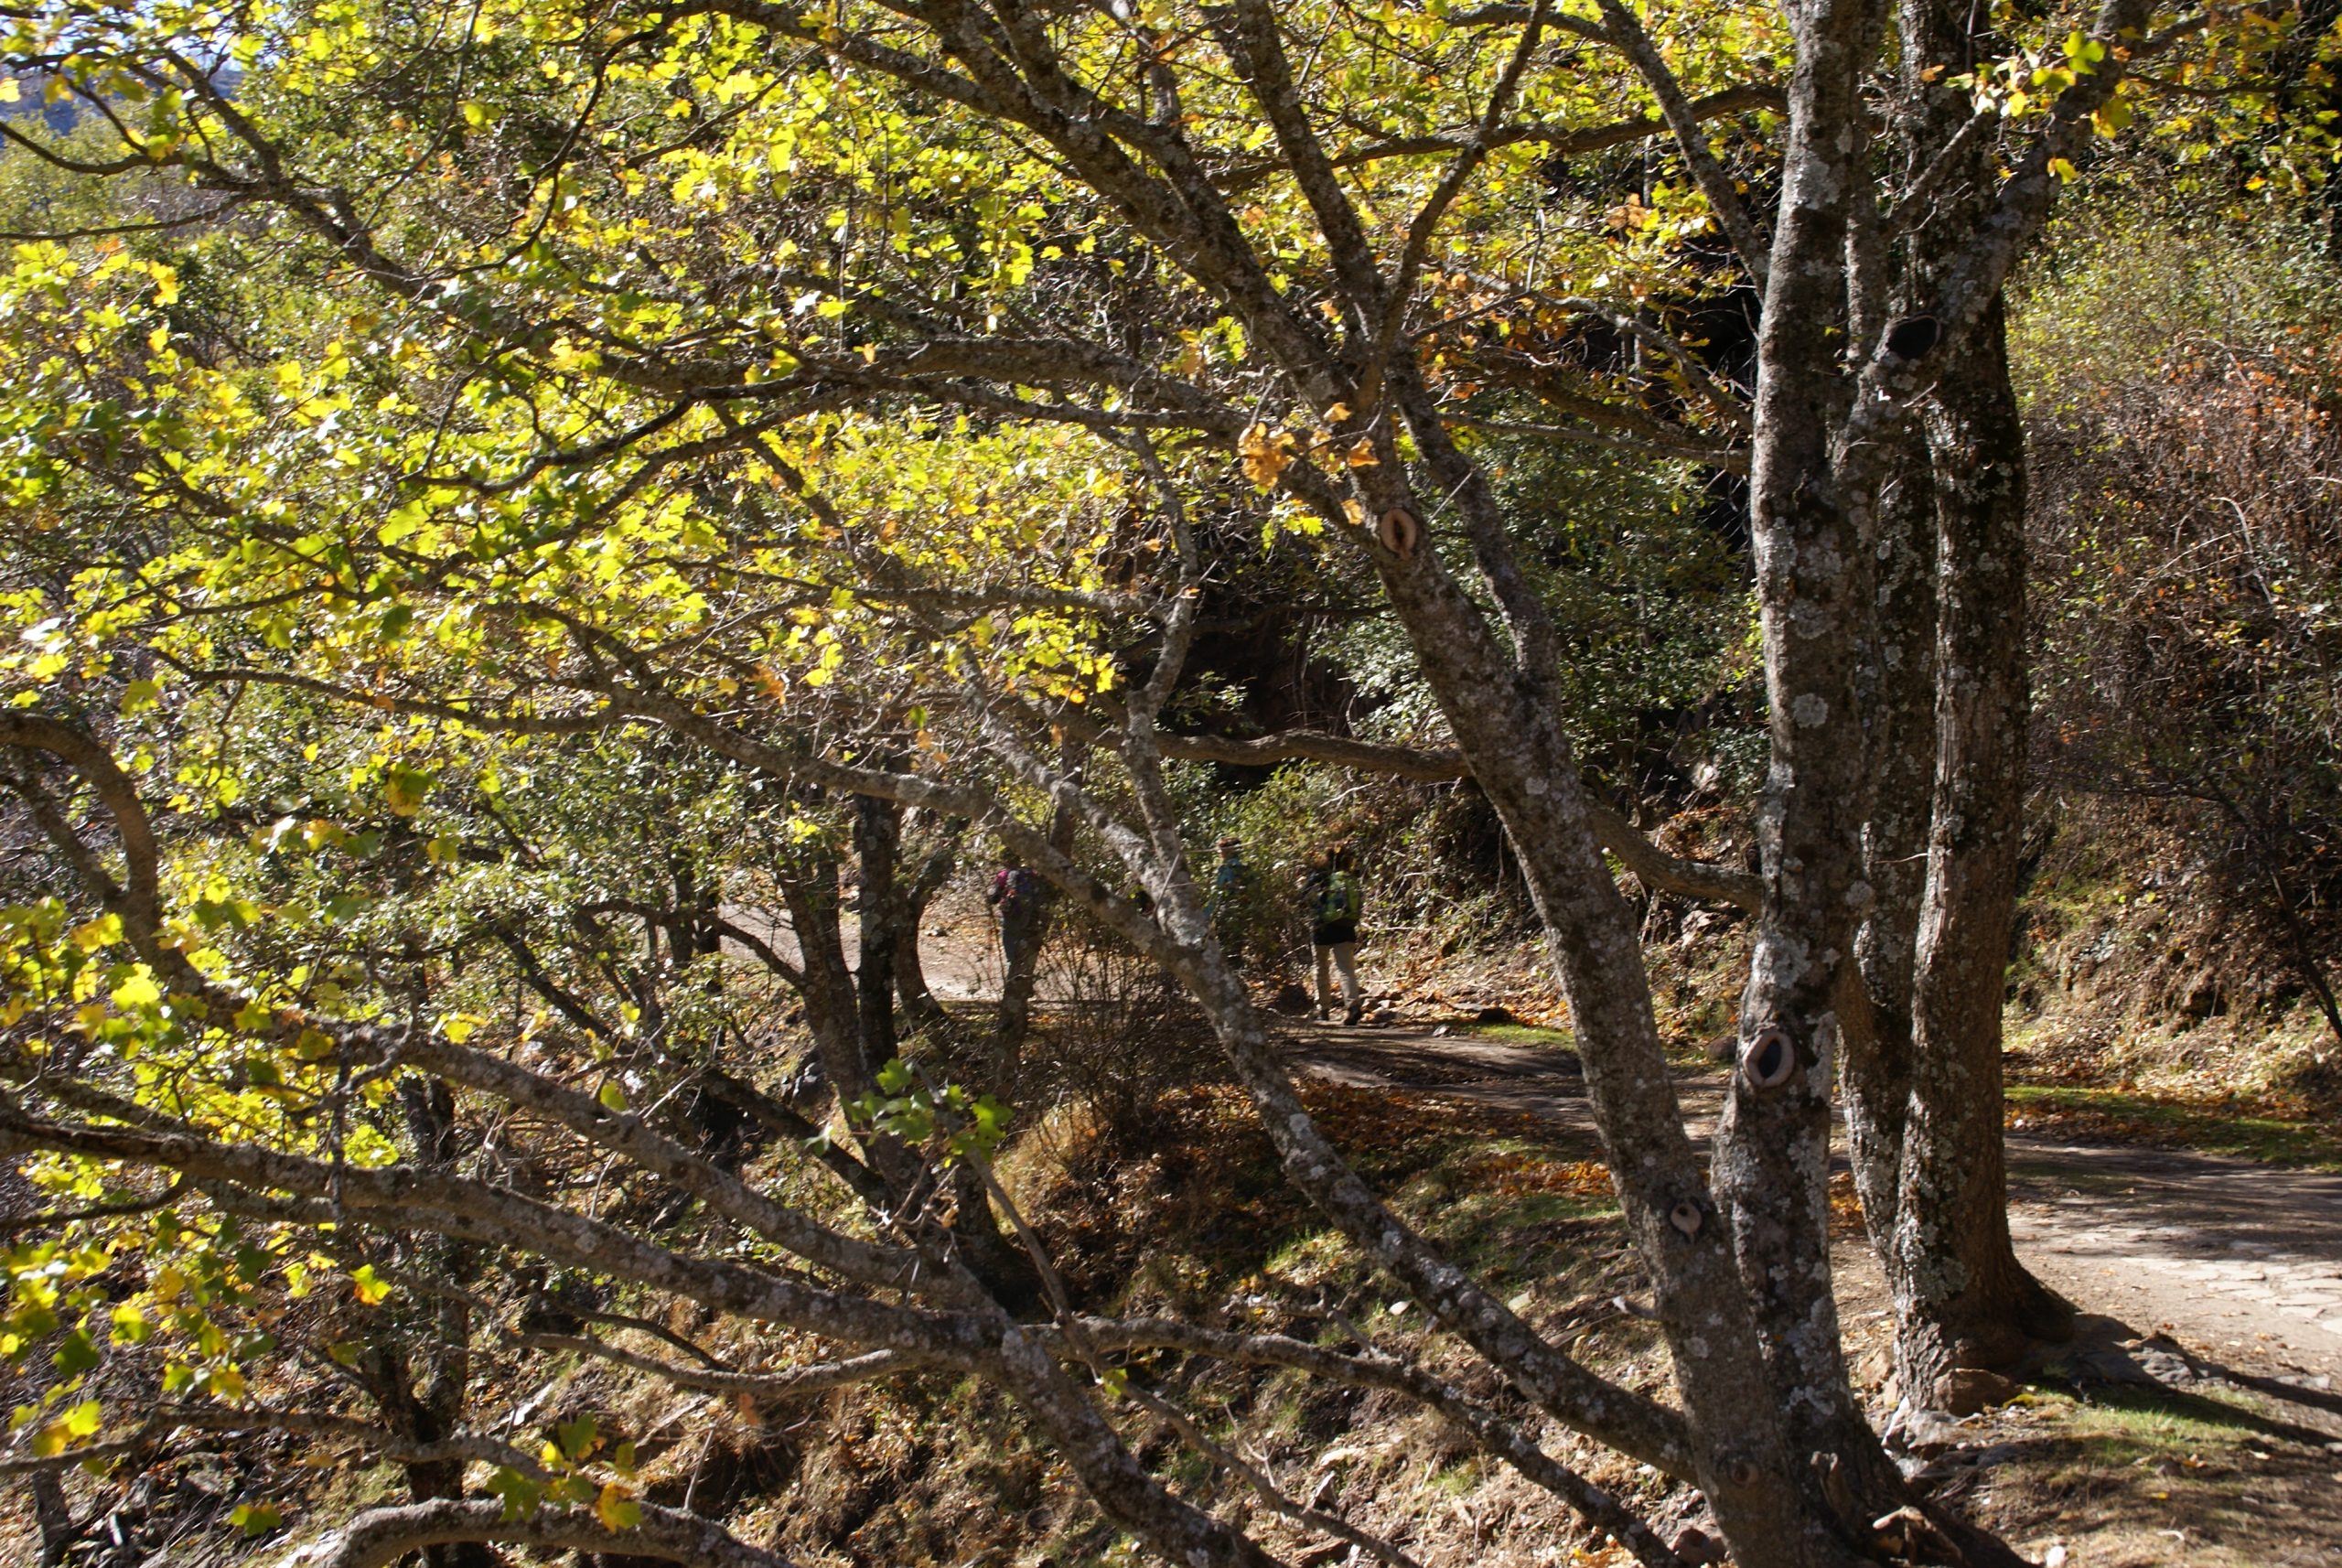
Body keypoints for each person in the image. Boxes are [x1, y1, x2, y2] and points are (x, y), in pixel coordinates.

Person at [1301, 844, 1365, 1025]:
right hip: (1346, 927)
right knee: (1345, 968)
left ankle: (1323, 1009)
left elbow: (1303, 896)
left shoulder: (1320, 876)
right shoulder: (1350, 878)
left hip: (1322, 928)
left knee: (1321, 967)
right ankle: (1353, 1007)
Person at [986, 847, 1045, 972]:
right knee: (1024, 936)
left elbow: (994, 898)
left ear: (1005, 860)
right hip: (1030, 913)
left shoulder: (1003, 875)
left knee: (1008, 935)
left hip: (1010, 913)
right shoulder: (1030, 873)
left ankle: (1012, 964)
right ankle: (1024, 965)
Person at [1206, 836, 1252, 953]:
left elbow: (1220, 890)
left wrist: (1207, 913)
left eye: (1221, 849)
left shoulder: (1226, 867)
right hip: (1241, 907)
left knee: (1225, 941)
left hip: (1226, 908)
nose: (1219, 852)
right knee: (1237, 940)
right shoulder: (1244, 867)